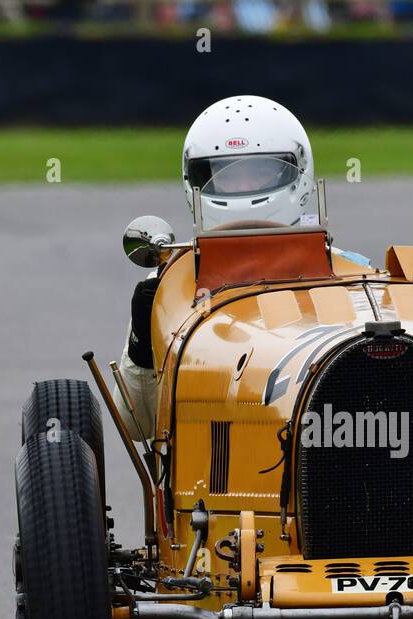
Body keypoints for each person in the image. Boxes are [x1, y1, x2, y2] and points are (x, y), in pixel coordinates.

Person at [113, 94, 319, 442]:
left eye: (258, 174)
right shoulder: (168, 286)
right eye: (223, 176)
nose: (241, 188)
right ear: (193, 181)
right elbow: (138, 426)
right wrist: (142, 346)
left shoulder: (344, 271)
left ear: (297, 172)